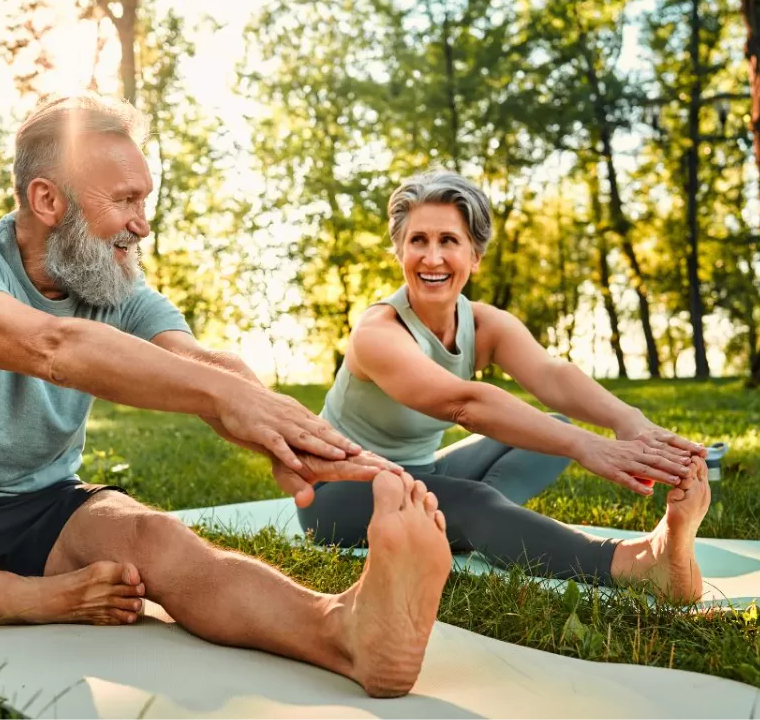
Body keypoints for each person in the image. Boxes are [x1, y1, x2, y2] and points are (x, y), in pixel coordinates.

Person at [0, 95, 456, 698]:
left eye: (144, 199)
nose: (142, 223)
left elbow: (203, 362)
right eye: (126, 200)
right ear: (46, 200)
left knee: (158, 538)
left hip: (43, 515)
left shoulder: (116, 285)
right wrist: (214, 396)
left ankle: (345, 632)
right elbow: (45, 348)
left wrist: (288, 432)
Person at [297, 170, 712, 603]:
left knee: (546, 431)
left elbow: (552, 376)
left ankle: (464, 522)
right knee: (476, 499)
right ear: (399, 251)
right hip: (336, 492)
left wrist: (630, 422)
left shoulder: (481, 323)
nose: (432, 257)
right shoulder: (378, 332)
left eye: (449, 241)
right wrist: (589, 446)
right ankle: (639, 563)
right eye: (418, 240)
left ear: (474, 256)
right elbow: (464, 405)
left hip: (418, 473)